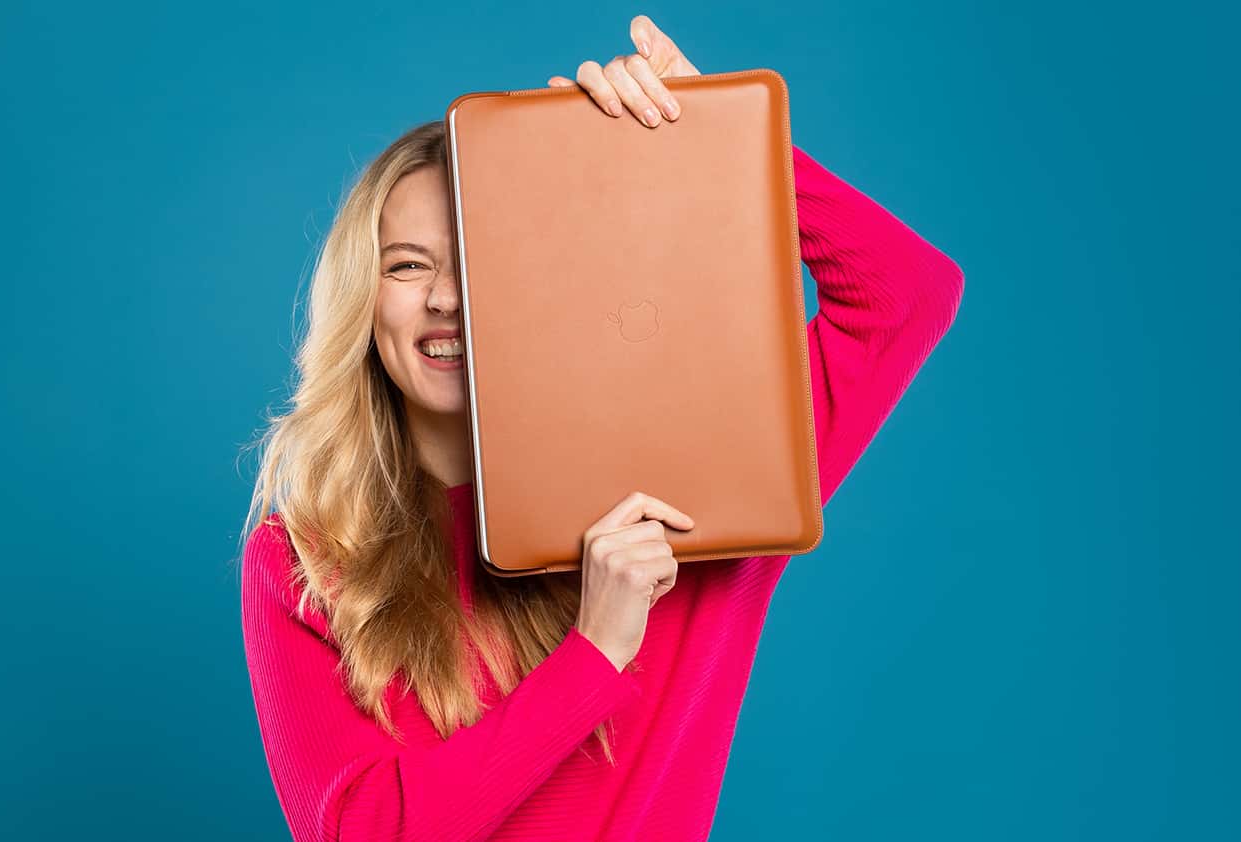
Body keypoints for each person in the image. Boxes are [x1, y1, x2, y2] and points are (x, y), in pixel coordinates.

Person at [238, 15, 963, 842]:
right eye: (407, 265)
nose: (446, 298)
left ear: (546, 274)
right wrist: (592, 655)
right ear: (362, 302)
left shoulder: (699, 496)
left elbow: (906, 293)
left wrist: (713, 137)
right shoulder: (302, 561)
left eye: (478, 259)